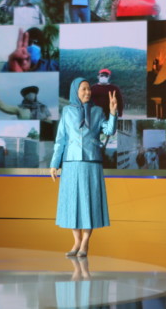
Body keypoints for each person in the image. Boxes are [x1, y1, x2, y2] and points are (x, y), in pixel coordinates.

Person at [50, 78, 117, 257]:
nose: (88, 92)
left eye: (89, 89)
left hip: (91, 162)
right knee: (72, 203)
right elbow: (60, 139)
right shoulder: (67, 111)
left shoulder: (97, 111)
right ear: (75, 91)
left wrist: (112, 112)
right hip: (71, 163)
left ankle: (85, 243)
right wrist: (54, 163)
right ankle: (76, 241)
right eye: (83, 89)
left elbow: (109, 130)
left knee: (89, 203)